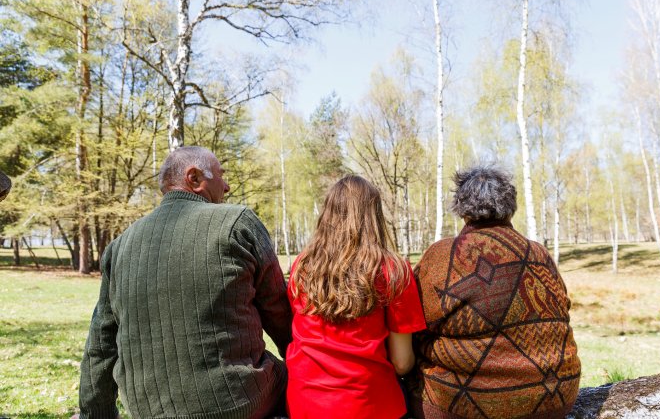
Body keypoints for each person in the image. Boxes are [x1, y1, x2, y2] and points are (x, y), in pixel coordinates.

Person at [76, 146, 292, 419]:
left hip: (147, 410)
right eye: (221, 176)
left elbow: (101, 343)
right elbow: (279, 313)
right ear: (194, 178)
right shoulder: (238, 223)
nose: (226, 187)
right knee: (290, 378)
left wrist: (95, 415)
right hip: (236, 402)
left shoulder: (119, 245)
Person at [408, 166, 581, 419]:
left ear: (463, 209)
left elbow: (411, 325)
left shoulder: (443, 255)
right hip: (556, 400)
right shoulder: (540, 254)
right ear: (510, 206)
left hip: (462, 405)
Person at [285, 175, 427, 419]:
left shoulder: (302, 266)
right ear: (373, 215)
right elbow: (402, 362)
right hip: (370, 404)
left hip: (305, 403)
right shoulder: (392, 270)